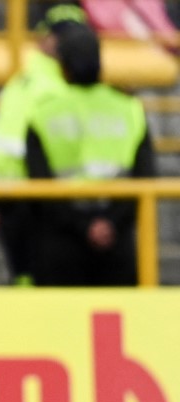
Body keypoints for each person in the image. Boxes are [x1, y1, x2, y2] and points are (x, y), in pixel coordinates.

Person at [25, 22, 157, 285]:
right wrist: (109, 224)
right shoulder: (130, 109)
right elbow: (146, 176)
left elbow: (39, 182)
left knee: (61, 322)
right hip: (116, 240)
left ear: (62, 67)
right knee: (116, 322)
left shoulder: (43, 114)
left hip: (62, 242)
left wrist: (82, 225)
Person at [0, 3, 89, 285]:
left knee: (24, 275)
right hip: (32, 191)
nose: (67, 42)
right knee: (39, 274)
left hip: (9, 187)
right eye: (62, 35)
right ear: (45, 37)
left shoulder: (23, 77)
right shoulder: (60, 84)